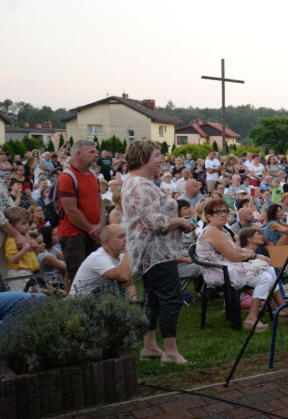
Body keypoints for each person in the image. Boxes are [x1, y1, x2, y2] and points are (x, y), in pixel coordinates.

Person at [121, 140, 196, 364]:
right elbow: (154, 222)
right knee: (171, 298)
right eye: (156, 155)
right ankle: (171, 351)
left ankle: (150, 346)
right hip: (155, 252)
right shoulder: (141, 185)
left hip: (149, 251)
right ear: (143, 158)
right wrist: (179, 221)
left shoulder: (135, 182)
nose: (160, 159)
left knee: (154, 299)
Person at [195, 196, 288, 332]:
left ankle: (282, 308)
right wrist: (251, 255)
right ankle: (251, 318)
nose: (223, 214)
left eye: (225, 211)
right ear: (209, 216)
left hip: (228, 266)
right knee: (265, 277)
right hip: (218, 272)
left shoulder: (222, 230)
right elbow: (233, 256)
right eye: (218, 212)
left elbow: (236, 250)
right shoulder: (212, 232)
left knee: (270, 270)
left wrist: (256, 255)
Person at [56, 139, 103, 290]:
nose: (96, 155)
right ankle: (73, 308)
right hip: (73, 234)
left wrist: (100, 225)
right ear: (78, 153)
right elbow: (71, 210)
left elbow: (100, 203)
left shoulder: (93, 176)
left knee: (95, 273)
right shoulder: (67, 177)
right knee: (76, 275)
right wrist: (92, 229)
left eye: (96, 151)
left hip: (92, 232)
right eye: (91, 152)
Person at [69, 225, 135, 298]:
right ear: (107, 242)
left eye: (126, 236)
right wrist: (128, 252)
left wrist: (133, 303)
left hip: (99, 299)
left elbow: (129, 285)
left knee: (144, 303)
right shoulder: (98, 257)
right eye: (121, 237)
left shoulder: (122, 255)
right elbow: (123, 277)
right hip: (81, 301)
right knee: (112, 286)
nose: (126, 240)